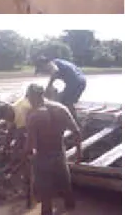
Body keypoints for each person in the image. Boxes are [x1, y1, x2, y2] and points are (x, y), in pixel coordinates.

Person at [24, 84, 82, 215]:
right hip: (59, 152)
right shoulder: (61, 108)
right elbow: (77, 132)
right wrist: (79, 154)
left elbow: (30, 145)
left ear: (33, 97)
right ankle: (71, 208)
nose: (29, 101)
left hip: (42, 155)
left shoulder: (34, 116)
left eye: (29, 98)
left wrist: (26, 157)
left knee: (45, 192)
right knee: (66, 184)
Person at [0, 85, 35, 155]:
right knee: (13, 131)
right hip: (29, 109)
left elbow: (19, 137)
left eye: (7, 117)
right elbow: (9, 133)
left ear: (9, 110)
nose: (7, 119)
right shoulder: (13, 108)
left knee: (22, 138)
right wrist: (5, 149)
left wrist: (14, 153)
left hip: (39, 118)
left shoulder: (20, 114)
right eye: (5, 119)